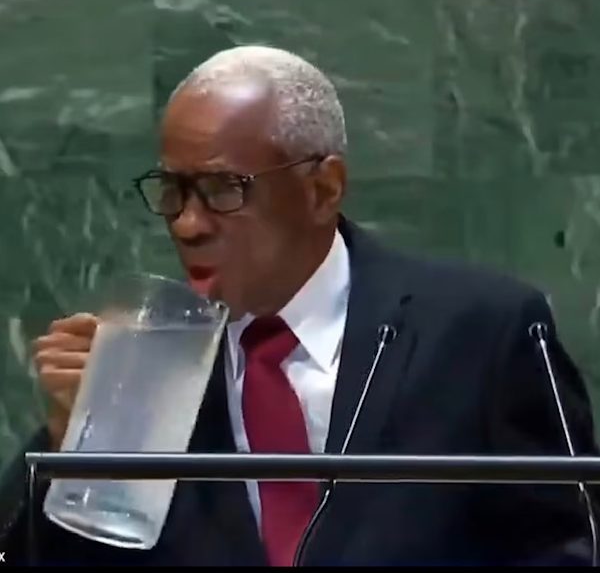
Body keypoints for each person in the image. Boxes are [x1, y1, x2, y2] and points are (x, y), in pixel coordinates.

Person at [1, 44, 599, 566]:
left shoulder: (481, 332)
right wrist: (71, 449)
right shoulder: (143, 365)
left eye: (221, 189)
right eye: (173, 191)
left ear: (322, 190)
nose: (186, 224)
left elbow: (572, 547)